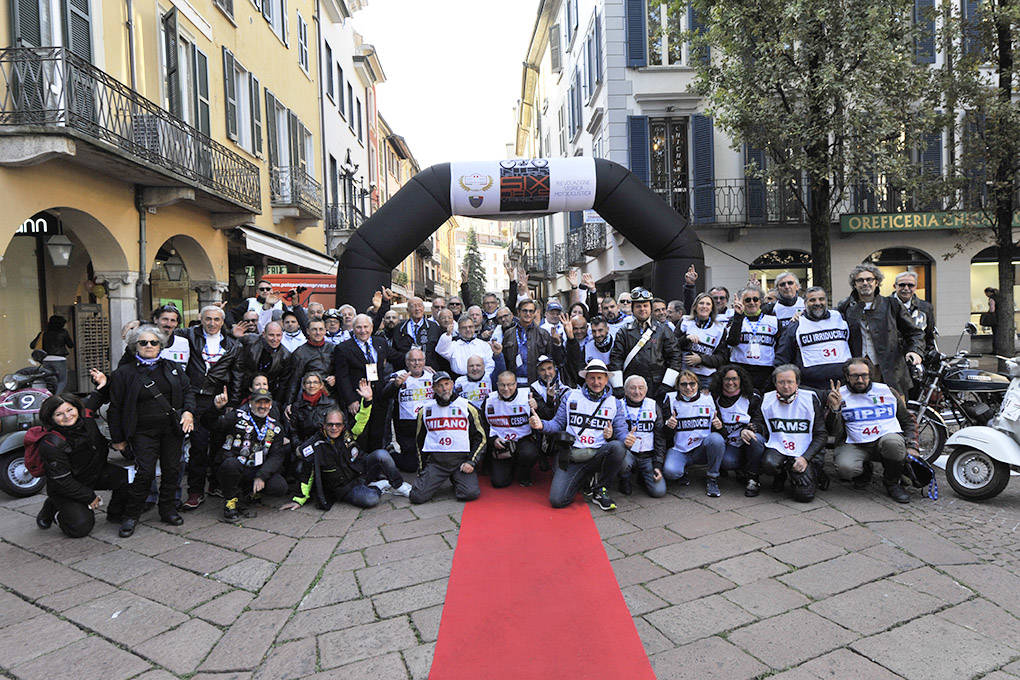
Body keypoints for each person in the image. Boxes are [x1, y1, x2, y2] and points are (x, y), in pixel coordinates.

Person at [108, 325, 196, 536]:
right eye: (143, 342)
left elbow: (188, 392)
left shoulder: (173, 367)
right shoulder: (123, 373)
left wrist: (189, 412)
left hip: (171, 430)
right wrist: (118, 439)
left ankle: (167, 510)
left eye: (153, 342)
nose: (149, 346)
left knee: (172, 470)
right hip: (142, 432)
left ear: (160, 345)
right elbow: (115, 408)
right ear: (135, 346)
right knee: (145, 473)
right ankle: (131, 515)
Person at [285, 389, 410, 510]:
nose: (334, 428)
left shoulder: (348, 433)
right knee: (371, 499)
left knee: (382, 454)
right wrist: (299, 500)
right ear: (324, 425)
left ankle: (399, 485)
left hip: (361, 472)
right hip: (345, 487)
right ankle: (378, 487)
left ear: (343, 425)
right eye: (330, 425)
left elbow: (361, 420)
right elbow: (307, 474)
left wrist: (367, 400)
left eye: (338, 424)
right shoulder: (315, 445)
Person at [531, 359, 628, 511]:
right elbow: (557, 424)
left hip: (598, 453)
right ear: (586, 378)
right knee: (558, 500)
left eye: (600, 378)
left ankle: (600, 489)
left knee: (618, 447)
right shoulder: (571, 396)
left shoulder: (614, 402)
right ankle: (584, 479)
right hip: (573, 455)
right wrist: (541, 425)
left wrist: (626, 438)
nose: (596, 382)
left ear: (606, 379)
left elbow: (622, 432)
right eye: (592, 377)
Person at [34, 394, 129, 538]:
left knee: (129, 478)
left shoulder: (86, 421)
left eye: (70, 410)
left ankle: (115, 513)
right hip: (66, 486)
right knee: (80, 527)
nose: (67, 416)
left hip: (93, 474)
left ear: (77, 408)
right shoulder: (51, 444)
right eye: (59, 414)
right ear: (50, 418)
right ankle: (54, 507)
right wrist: (89, 496)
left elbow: (98, 396)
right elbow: (62, 481)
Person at [825, 357, 917, 503]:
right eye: (855, 376)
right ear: (847, 377)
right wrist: (834, 410)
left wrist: (912, 445)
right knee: (845, 468)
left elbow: (907, 420)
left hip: (885, 440)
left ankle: (892, 482)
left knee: (893, 444)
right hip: (855, 443)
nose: (860, 380)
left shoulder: (887, 391)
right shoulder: (839, 395)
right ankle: (864, 470)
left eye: (864, 375)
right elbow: (831, 430)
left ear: (870, 375)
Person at [175, 305, 240, 510]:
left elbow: (237, 376)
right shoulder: (189, 335)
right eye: (208, 319)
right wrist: (138, 324)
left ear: (223, 322)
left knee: (220, 446)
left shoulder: (232, 345)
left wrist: (233, 404)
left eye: (216, 320)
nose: (212, 323)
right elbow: (164, 330)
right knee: (199, 447)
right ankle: (195, 491)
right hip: (195, 398)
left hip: (218, 399)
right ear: (201, 320)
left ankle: (215, 485)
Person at [837, 263, 923, 396]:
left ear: (876, 282)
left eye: (869, 279)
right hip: (859, 371)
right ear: (854, 284)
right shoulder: (846, 307)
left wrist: (915, 351)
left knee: (897, 411)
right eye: (860, 280)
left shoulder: (891, 304)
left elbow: (915, 332)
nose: (865, 283)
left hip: (891, 369)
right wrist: (801, 315)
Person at [204, 388, 289, 520]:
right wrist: (216, 409)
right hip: (234, 466)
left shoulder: (276, 427)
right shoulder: (237, 416)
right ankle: (230, 501)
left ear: (271, 405)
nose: (262, 406)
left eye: (266, 403)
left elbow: (277, 456)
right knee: (230, 465)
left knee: (279, 487)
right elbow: (211, 424)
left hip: (257, 468)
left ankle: (249, 493)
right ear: (250, 403)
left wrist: (262, 476)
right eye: (258, 402)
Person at [410, 371, 486, 504]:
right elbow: (419, 441)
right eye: (439, 385)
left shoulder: (467, 407)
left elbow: (481, 438)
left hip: (460, 462)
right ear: (433, 388)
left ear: (452, 384)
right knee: (417, 497)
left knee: (470, 493)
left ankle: (457, 478)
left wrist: (471, 461)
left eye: (447, 384)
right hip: (437, 463)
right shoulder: (425, 410)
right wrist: (422, 468)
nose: (444, 389)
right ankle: (441, 478)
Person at [759, 365, 827, 502]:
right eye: (781, 382)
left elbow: (821, 434)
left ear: (797, 383)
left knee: (805, 496)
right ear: (775, 383)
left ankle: (815, 472)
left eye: (790, 382)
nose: (786, 386)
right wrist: (751, 428)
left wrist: (805, 458)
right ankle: (781, 474)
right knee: (769, 463)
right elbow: (759, 422)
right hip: (779, 447)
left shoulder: (810, 399)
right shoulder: (767, 399)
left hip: (805, 451)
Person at [333, 314, 399, 450]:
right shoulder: (343, 348)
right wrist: (351, 400)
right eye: (359, 327)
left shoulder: (380, 343)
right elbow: (342, 377)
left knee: (377, 434)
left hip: (379, 398)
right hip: (358, 400)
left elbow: (396, 357)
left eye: (365, 327)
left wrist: (417, 360)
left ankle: (375, 465)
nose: (363, 331)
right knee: (360, 435)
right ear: (353, 328)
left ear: (371, 327)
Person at [775, 287, 852, 393]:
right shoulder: (795, 325)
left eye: (821, 299)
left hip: (844, 385)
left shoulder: (841, 318)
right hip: (811, 388)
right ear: (805, 303)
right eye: (812, 300)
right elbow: (782, 359)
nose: (817, 303)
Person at [609, 287, 682, 399]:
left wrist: (667, 384)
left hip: (657, 386)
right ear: (632, 309)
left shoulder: (663, 330)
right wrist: (618, 386)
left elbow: (675, 357)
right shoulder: (624, 331)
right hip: (632, 387)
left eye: (645, 305)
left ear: (651, 308)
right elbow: (616, 359)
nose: (642, 309)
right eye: (638, 306)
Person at [662, 369, 726, 497]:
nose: (688, 388)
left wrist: (719, 427)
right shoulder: (670, 399)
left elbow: (722, 432)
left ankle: (712, 478)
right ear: (677, 386)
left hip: (700, 449)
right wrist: (669, 427)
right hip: (679, 449)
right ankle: (683, 470)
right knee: (671, 472)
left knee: (716, 439)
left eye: (692, 384)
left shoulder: (708, 399)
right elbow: (663, 435)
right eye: (683, 384)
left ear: (698, 384)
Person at [709, 365, 766, 497]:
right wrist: (719, 427)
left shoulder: (752, 396)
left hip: (749, 440)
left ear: (741, 380)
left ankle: (753, 477)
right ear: (720, 381)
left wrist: (749, 428)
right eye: (726, 379)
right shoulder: (714, 398)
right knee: (727, 462)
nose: (730, 383)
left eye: (734, 379)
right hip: (731, 443)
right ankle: (741, 469)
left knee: (755, 439)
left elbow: (760, 419)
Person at [484, 371, 540, 487]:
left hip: (523, 441)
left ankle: (524, 473)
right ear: (497, 385)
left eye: (510, 384)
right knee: (499, 483)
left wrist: (538, 405)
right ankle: (510, 465)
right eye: (502, 385)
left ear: (516, 384)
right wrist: (493, 440)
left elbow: (547, 414)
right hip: (501, 444)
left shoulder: (527, 395)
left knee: (529, 453)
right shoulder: (489, 399)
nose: (506, 388)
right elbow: (483, 425)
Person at [382, 348, 434, 473]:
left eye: (420, 360)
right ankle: (391, 453)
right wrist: (396, 385)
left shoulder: (432, 376)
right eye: (413, 360)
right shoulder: (399, 375)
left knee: (429, 463)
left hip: (428, 424)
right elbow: (384, 394)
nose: (416, 363)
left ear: (424, 361)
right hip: (406, 426)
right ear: (407, 362)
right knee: (411, 466)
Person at [617, 375, 667, 498]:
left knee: (659, 492)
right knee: (623, 459)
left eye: (641, 388)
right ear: (626, 390)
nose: (637, 392)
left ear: (646, 389)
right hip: (627, 453)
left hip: (647, 455)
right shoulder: (618, 405)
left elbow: (660, 438)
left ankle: (643, 476)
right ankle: (624, 478)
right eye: (632, 388)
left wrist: (658, 464)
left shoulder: (653, 405)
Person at [725, 285, 781, 392]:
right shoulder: (734, 320)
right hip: (740, 368)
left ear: (760, 302)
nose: (752, 302)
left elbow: (780, 346)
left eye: (755, 299)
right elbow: (732, 342)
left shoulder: (773, 321)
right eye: (747, 300)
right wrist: (738, 316)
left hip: (765, 370)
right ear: (742, 302)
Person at [501, 298, 563, 388]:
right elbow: (505, 361)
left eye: (531, 311)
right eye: (525, 311)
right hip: (513, 384)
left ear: (534, 313)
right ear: (518, 312)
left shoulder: (543, 334)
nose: (528, 314)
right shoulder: (509, 334)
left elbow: (552, 360)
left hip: (536, 384)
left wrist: (557, 344)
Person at [233, 321, 293, 404]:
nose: (275, 339)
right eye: (271, 335)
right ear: (264, 334)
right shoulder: (251, 340)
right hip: (244, 389)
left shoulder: (285, 355)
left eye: (278, 335)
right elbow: (238, 369)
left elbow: (283, 383)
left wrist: (277, 403)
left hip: (267, 393)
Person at [678, 292, 728, 389]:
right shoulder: (685, 322)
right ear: (695, 306)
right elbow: (673, 346)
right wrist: (686, 339)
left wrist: (701, 359)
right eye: (701, 303)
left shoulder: (720, 329)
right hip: (684, 375)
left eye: (708, 304)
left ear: (712, 308)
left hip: (706, 377)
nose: (704, 306)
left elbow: (722, 358)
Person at [286, 319, 336, 403]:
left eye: (321, 329)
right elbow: (294, 380)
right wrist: (289, 403)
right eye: (314, 329)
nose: (318, 333)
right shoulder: (300, 353)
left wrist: (335, 377)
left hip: (334, 394)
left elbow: (342, 370)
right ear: (308, 331)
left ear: (325, 330)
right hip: (311, 397)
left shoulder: (333, 348)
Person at [891, 272, 936, 356]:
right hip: (892, 358)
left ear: (916, 287)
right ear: (895, 286)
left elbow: (929, 336)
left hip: (918, 356)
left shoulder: (925, 307)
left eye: (910, 285)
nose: (906, 288)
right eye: (902, 285)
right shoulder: (884, 306)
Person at [392, 297, 443, 369]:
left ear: (423, 308)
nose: (417, 309)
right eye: (413, 306)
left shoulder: (434, 327)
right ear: (407, 310)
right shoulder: (399, 328)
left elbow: (439, 351)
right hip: (405, 370)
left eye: (419, 305)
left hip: (429, 370)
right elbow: (394, 351)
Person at [288, 371, 338, 443]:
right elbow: (293, 431)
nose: (312, 385)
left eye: (315, 382)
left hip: (327, 444)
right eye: (308, 383)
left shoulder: (331, 404)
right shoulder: (297, 406)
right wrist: (298, 448)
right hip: (304, 445)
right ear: (304, 386)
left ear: (321, 385)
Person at [31, 315, 74, 392]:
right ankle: (55, 398)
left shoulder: (43, 333)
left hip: (46, 360)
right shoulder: (63, 332)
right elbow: (70, 345)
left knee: (49, 381)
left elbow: (32, 345)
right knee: (62, 381)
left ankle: (48, 396)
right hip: (60, 359)